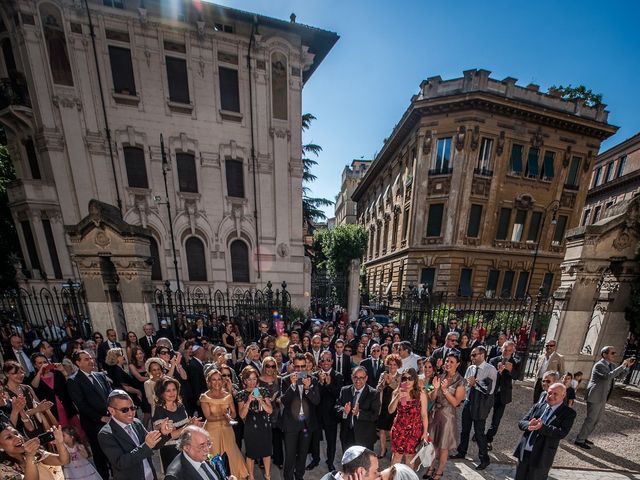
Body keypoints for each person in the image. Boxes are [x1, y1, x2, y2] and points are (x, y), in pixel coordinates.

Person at [98, 389, 172, 480]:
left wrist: (163, 433)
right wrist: (146, 445)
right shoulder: (106, 434)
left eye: (133, 408)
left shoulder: (136, 422)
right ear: (111, 411)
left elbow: (152, 445)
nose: (131, 413)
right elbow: (120, 463)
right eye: (125, 410)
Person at [574, 346, 635, 449]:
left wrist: (627, 366)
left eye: (615, 353)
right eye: (612, 353)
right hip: (595, 395)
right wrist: (622, 365)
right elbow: (608, 376)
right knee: (591, 419)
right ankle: (579, 440)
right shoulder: (599, 365)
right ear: (604, 354)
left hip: (603, 396)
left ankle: (584, 437)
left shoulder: (612, 365)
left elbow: (620, 376)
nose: (614, 355)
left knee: (596, 419)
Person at [513, 383, 576, 480]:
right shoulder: (538, 406)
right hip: (525, 452)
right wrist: (528, 425)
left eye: (555, 394)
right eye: (549, 393)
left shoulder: (568, 413)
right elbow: (521, 422)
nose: (551, 396)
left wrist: (542, 427)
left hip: (542, 455)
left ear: (563, 395)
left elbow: (562, 432)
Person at [67, 350, 112, 480]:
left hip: (110, 419)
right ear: (78, 362)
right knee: (99, 454)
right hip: (94, 424)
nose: (91, 361)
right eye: (86, 359)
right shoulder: (73, 380)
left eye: (91, 358)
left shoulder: (100, 376)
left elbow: (110, 394)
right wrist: (100, 417)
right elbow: (81, 404)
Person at [451, 346, 496, 470]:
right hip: (469, 401)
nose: (472, 357)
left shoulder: (490, 369)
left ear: (482, 355)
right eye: (471, 355)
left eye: (474, 355)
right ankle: (462, 452)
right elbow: (465, 385)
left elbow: (490, 389)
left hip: (481, 404)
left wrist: (475, 383)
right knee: (465, 430)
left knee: (479, 433)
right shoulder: (470, 368)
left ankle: (484, 458)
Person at [200, 369, 249, 479]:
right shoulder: (204, 397)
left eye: (219, 379)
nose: (217, 382)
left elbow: (234, 413)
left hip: (227, 429)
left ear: (222, 381)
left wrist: (229, 416)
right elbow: (208, 417)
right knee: (214, 454)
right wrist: (224, 416)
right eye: (213, 380)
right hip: (212, 431)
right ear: (209, 382)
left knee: (231, 452)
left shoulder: (228, 395)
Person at [424, 353, 465, 480]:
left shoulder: (460, 381)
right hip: (435, 414)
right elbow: (432, 398)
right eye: (447, 361)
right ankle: (430, 467)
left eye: (452, 362)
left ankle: (439, 471)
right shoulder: (439, 376)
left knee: (443, 445)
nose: (448, 363)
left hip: (448, 416)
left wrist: (445, 389)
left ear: (457, 364)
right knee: (432, 444)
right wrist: (436, 389)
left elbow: (456, 402)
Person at [280, 353, 320, 480]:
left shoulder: (312, 379)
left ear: (307, 366)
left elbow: (316, 401)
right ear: (293, 365)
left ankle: (299, 477)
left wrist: (308, 388)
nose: (300, 370)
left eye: (303, 366)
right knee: (290, 456)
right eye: (297, 367)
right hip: (291, 424)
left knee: (302, 456)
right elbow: (284, 402)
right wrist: (292, 386)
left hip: (306, 425)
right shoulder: (286, 380)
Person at [153, 376, 202, 469]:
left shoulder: (180, 405)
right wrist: (188, 426)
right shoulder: (159, 411)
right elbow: (169, 436)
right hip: (171, 452)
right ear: (161, 393)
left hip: (187, 447)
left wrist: (193, 423)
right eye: (168, 391)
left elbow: (186, 426)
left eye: (174, 389)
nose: (172, 393)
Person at [309, 350, 344, 471]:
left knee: (331, 442)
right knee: (315, 440)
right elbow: (314, 396)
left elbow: (338, 395)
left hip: (331, 415)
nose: (326, 363)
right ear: (319, 362)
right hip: (317, 415)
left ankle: (330, 462)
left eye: (328, 360)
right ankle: (315, 459)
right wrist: (320, 382)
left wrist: (329, 384)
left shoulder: (338, 376)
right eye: (323, 360)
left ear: (332, 362)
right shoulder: (314, 376)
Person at [237, 366, 273, 480]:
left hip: (264, 424)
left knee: (266, 452)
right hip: (250, 426)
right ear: (244, 381)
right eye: (249, 379)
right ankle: (251, 477)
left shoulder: (263, 391)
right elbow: (242, 415)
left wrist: (261, 400)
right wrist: (248, 401)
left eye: (254, 379)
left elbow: (270, 410)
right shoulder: (241, 394)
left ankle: (267, 476)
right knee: (251, 453)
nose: (252, 382)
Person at [0, 422, 70, 480]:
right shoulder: (3, 469)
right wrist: (30, 456)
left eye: (16, 433)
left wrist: (59, 443)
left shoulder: (35, 452)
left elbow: (63, 460)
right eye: (9, 437)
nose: (18, 438)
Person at [164, 425, 238, 480]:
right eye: (201, 446)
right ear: (186, 447)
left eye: (208, 444)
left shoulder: (201, 456)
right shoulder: (175, 476)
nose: (207, 450)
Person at [388, 368, 429, 465]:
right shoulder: (397, 392)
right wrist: (398, 396)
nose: (407, 381)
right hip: (399, 429)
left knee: (410, 457)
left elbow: (424, 415)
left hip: (414, 430)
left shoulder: (421, 394)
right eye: (404, 378)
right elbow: (390, 410)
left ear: (415, 379)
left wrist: (425, 432)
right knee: (397, 456)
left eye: (410, 378)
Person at [3, 361, 54, 438]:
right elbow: (12, 417)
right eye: (15, 373)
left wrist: (44, 406)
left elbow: (37, 405)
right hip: (23, 432)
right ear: (7, 374)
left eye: (21, 372)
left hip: (40, 426)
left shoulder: (27, 388)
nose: (20, 375)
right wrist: (38, 409)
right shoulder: (4, 393)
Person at [485, 340, 520, 450]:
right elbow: (486, 376)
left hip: (503, 395)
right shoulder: (493, 360)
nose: (506, 352)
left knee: (496, 420)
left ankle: (488, 439)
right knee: (483, 415)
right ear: (501, 349)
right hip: (491, 393)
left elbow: (517, 376)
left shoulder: (516, 362)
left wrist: (511, 370)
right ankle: (478, 434)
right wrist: (497, 372)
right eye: (505, 349)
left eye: (509, 350)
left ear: (513, 351)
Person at [337, 366, 381, 451]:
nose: (358, 381)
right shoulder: (344, 390)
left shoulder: (373, 394)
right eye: (355, 377)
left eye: (361, 378)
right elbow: (336, 407)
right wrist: (344, 411)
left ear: (366, 378)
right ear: (351, 377)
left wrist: (359, 413)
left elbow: (375, 415)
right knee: (348, 463)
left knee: (363, 463)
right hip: (347, 435)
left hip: (364, 437)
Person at [258, 356, 284, 469]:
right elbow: (254, 395)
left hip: (277, 413)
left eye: (273, 366)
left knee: (277, 438)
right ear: (264, 366)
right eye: (268, 366)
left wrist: (278, 400)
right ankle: (263, 461)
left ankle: (278, 460)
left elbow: (284, 395)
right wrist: (268, 400)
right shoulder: (258, 380)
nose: (270, 368)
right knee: (264, 438)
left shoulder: (280, 379)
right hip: (263, 412)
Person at [376, 353, 401, 458]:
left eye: (394, 364)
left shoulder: (401, 376)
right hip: (383, 405)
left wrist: (390, 382)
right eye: (390, 364)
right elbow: (377, 389)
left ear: (398, 365)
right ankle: (382, 450)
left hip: (394, 406)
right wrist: (383, 382)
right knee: (382, 429)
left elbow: (399, 389)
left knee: (392, 431)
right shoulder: (383, 374)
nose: (392, 366)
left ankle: (393, 451)